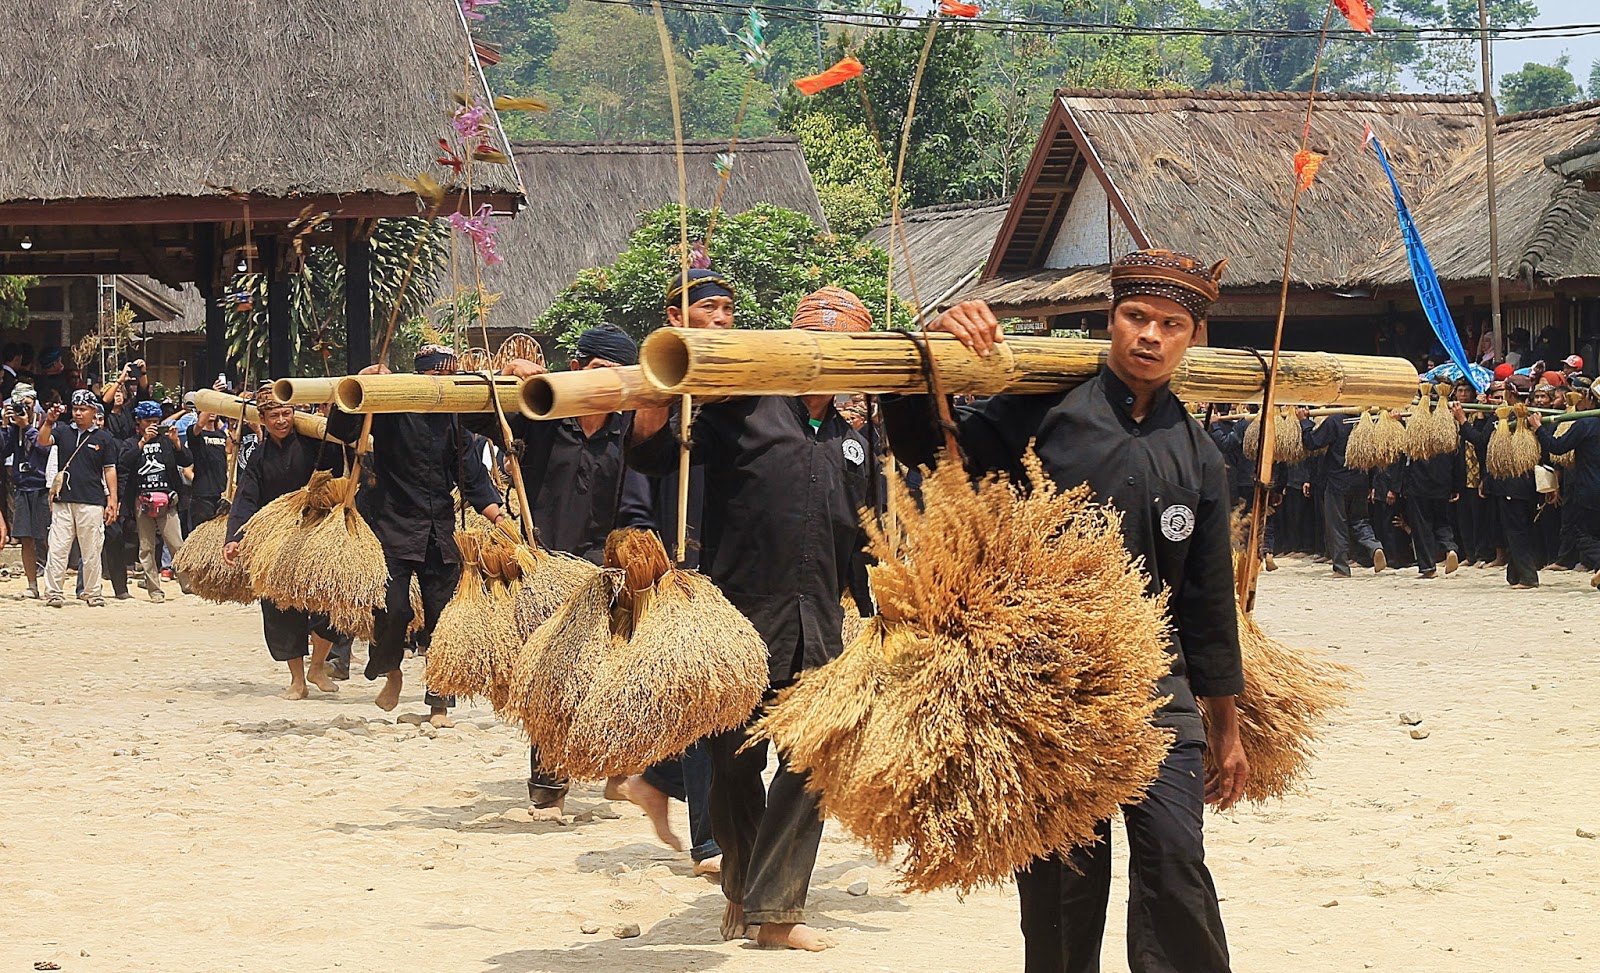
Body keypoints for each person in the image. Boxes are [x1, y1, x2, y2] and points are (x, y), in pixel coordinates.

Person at [883, 249, 1247, 973]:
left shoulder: (1199, 455)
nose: (1150, 335)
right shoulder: (1039, 415)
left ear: (1193, 337)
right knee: (1062, 883)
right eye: (1136, 316)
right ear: (1111, 320)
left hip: (1160, 687)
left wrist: (1227, 729)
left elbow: (1208, 603)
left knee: (1176, 860)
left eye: (1171, 324)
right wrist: (934, 341)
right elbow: (929, 449)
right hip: (1053, 688)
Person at [627, 288, 874, 953]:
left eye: (844, 352)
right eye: (815, 346)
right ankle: (742, 887)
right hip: (740, 626)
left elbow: (862, 539)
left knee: (814, 763)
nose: (827, 362)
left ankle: (777, 909)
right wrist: (653, 392)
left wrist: (881, 616)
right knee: (733, 765)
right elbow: (653, 457)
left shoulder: (854, 443)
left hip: (820, 628)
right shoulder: (741, 410)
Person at [327, 345, 507, 721]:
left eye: (450, 377)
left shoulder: (454, 416)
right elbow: (342, 430)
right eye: (439, 376)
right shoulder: (391, 405)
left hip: (440, 531)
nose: (445, 383)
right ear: (421, 376)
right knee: (393, 610)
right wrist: (360, 381)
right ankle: (391, 671)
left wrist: (500, 519)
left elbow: (472, 477)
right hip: (392, 525)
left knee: (443, 620)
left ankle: (439, 704)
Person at [223, 386, 345, 699]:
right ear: (262, 419)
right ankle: (297, 680)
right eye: (274, 415)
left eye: (286, 413)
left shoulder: (314, 443)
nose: (281, 420)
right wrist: (234, 538)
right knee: (279, 609)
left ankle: (317, 666)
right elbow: (246, 498)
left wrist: (335, 409)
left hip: (316, 532)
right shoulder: (259, 456)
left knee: (330, 603)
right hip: (276, 540)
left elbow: (337, 464)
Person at [37, 389, 120, 608]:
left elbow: (109, 469)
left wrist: (112, 499)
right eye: (75, 409)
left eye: (83, 409)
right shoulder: (63, 431)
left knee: (91, 549)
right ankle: (53, 592)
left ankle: (92, 592)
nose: (78, 413)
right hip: (63, 499)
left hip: (92, 500)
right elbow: (43, 441)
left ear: (93, 411)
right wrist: (49, 421)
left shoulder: (104, 438)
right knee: (58, 547)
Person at [1455, 379, 1540, 588]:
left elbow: (1480, 441)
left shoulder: (1504, 417)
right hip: (1528, 483)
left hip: (1511, 483)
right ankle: (1515, 575)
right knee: (1520, 529)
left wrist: (1462, 420)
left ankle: (1528, 577)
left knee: (1516, 531)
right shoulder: (1533, 414)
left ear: (1509, 394)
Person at [1301, 407, 1387, 576]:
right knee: (1360, 520)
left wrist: (1304, 421)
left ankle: (1341, 568)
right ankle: (1374, 546)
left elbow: (1313, 442)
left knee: (1336, 525)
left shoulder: (1335, 420)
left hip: (1337, 482)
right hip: (1361, 480)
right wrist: (1371, 483)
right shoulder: (1367, 420)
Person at [119, 399, 192, 602]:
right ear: (138, 421)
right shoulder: (131, 442)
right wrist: (142, 442)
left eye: (156, 421)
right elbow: (123, 463)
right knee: (146, 548)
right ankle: (154, 590)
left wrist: (177, 443)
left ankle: (187, 583)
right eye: (148, 421)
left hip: (167, 499)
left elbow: (187, 460)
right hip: (142, 501)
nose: (152, 425)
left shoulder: (166, 441)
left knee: (176, 544)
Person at [3, 386, 51, 598]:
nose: (23, 408)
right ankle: (32, 585)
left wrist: (28, 427)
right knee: (26, 539)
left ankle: (52, 584)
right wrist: (5, 426)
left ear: (34, 403)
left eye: (27, 404)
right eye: (18, 404)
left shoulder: (44, 421)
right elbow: (3, 451)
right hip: (22, 486)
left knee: (48, 538)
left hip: (42, 486)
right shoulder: (14, 426)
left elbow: (44, 449)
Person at [187, 407, 231, 528]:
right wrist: (210, 402)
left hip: (221, 493)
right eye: (207, 409)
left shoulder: (221, 434)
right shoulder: (194, 432)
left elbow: (230, 450)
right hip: (203, 494)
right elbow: (200, 424)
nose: (211, 412)